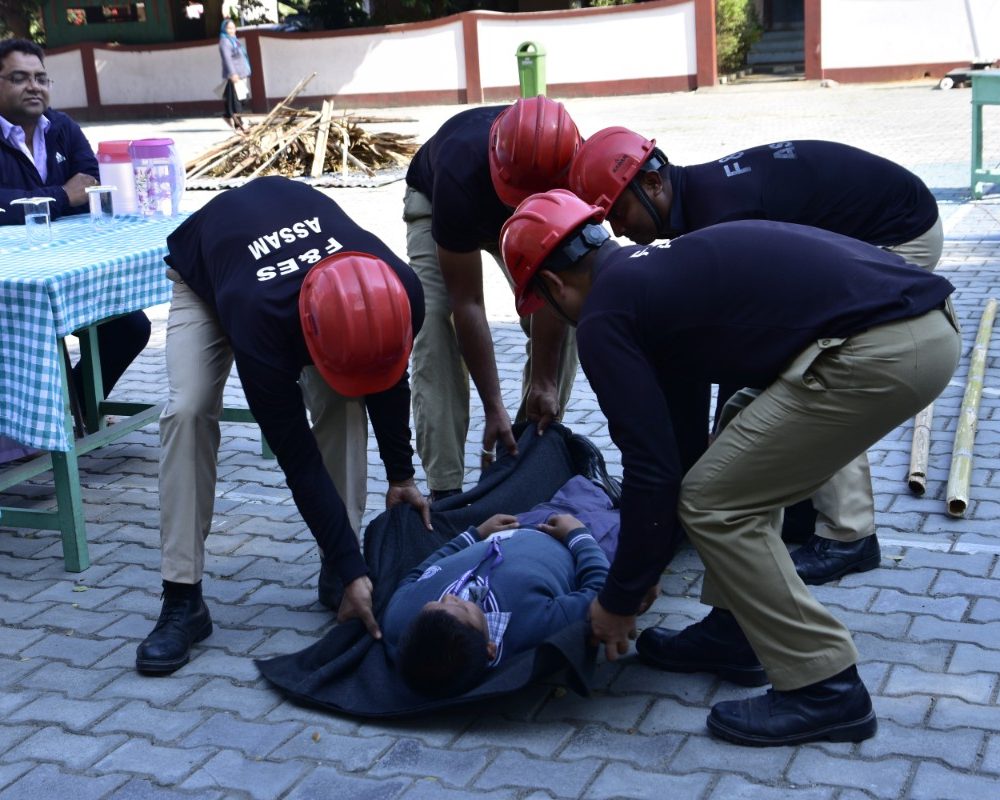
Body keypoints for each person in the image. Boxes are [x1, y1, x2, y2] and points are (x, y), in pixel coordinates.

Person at [500, 189, 960, 746]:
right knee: (727, 463)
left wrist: (619, 598)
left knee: (715, 503)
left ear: (551, 286)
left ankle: (826, 686)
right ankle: (735, 631)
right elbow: (680, 447)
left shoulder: (606, 315)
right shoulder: (649, 277)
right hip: (913, 324)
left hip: (883, 347)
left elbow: (652, 470)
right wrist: (640, 571)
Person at [569, 130, 946, 585]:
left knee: (820, 374)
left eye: (619, 211)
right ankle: (797, 508)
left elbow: (749, 347)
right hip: (869, 227)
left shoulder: (722, 211)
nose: (619, 230)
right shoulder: (699, 199)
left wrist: (717, 453)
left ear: (652, 184)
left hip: (902, 232)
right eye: (606, 221)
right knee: (782, 386)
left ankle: (850, 535)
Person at [136, 176, 430, 675]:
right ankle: (182, 597)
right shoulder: (260, 322)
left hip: (293, 264)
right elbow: (298, 459)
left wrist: (402, 476)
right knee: (187, 411)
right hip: (212, 272)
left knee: (343, 403)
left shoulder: (399, 288)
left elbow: (386, 375)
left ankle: (337, 564)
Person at [403, 96, 581, 502]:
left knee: (567, 310)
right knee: (434, 323)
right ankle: (445, 489)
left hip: (535, 216)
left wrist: (545, 379)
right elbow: (468, 303)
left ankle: (524, 448)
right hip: (438, 206)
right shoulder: (459, 169)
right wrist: (493, 405)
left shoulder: (571, 167)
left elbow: (553, 287)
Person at [0, 38, 151, 408]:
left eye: (41, 78)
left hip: (67, 265)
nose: (34, 86)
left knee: (131, 326)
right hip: (12, 276)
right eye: (19, 78)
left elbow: (92, 182)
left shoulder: (62, 126)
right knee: (32, 338)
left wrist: (41, 202)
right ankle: (39, 424)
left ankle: (75, 411)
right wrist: (63, 197)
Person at [383, 512, 609, 697]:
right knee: (601, 504)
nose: (450, 598)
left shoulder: (400, 617)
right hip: (576, 535)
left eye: (436, 602)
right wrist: (577, 534)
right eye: (463, 608)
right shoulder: (534, 625)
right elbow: (602, 591)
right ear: (490, 649)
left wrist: (474, 535)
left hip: (512, 522)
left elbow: (418, 574)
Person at [219, 19, 251, 133]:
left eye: (233, 28)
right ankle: (239, 124)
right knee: (238, 100)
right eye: (229, 28)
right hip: (235, 75)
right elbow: (227, 59)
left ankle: (228, 115)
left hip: (242, 73)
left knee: (239, 98)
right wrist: (233, 74)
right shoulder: (225, 42)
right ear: (224, 29)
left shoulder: (234, 40)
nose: (232, 30)